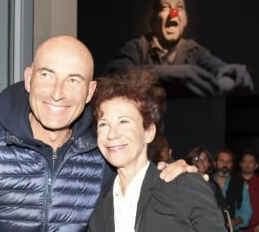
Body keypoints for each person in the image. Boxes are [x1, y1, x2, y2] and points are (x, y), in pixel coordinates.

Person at [0, 35, 197, 231]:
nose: (57, 93)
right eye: (46, 75)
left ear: (89, 91)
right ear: (29, 79)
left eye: (73, 80)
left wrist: (177, 176)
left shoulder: (102, 156)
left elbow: (143, 193)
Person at [88, 67, 227, 231]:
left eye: (124, 121)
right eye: (103, 124)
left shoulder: (182, 186)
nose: (112, 134)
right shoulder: (100, 205)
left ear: (149, 132)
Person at [105, 0, 254, 97]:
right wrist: (175, 73)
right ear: (153, 21)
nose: (173, 13)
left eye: (179, 7)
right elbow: (115, 72)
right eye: (165, 7)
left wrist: (234, 71)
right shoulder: (137, 47)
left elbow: (218, 68)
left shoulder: (193, 50)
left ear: (185, 21)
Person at [186, 146, 229, 229]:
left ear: (209, 163)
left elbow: (222, 209)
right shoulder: (184, 182)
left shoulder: (213, 185)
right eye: (197, 158)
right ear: (190, 161)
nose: (201, 161)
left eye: (205, 159)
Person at [215, 149, 253, 232]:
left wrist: (235, 222)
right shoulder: (207, 183)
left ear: (232, 165)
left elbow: (247, 211)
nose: (225, 164)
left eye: (228, 162)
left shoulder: (239, 184)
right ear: (215, 163)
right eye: (221, 161)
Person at [239, 149, 259, 232]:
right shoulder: (231, 182)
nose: (247, 164)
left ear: (256, 165)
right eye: (245, 161)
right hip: (237, 228)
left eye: (251, 162)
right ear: (240, 164)